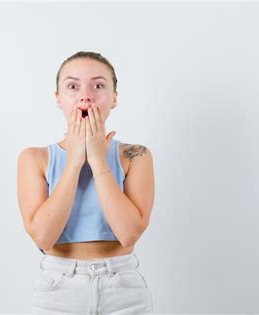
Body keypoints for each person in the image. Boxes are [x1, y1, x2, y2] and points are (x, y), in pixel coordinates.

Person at [17, 51, 155, 314]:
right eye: (72, 86)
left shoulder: (135, 155)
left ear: (114, 98)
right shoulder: (34, 158)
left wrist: (98, 159)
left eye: (98, 85)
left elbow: (128, 233)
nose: (85, 95)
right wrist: (75, 161)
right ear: (58, 98)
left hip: (123, 288)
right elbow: (44, 237)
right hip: (58, 288)